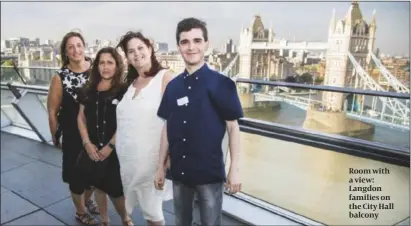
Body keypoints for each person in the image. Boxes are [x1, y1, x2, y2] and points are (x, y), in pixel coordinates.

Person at [154, 17, 243, 226]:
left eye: (196, 40)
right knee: (181, 222)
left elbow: (233, 127)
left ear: (206, 44)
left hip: (209, 173)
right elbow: (167, 127)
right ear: (179, 46)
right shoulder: (173, 86)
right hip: (179, 171)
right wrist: (160, 166)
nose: (191, 47)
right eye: (185, 42)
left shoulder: (223, 84)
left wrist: (235, 168)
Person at [115, 31, 174, 226]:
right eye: (130, 51)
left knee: (153, 213)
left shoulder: (165, 78)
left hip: (151, 161)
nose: (136, 54)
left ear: (150, 48)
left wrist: (163, 163)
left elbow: (172, 121)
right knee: (146, 211)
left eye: (140, 48)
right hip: (129, 161)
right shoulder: (131, 83)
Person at [47, 31, 99, 225]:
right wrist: (55, 136)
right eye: (71, 47)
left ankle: (87, 201)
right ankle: (80, 212)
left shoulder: (96, 69)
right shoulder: (60, 77)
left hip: (95, 131)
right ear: (66, 52)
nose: (76, 50)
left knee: (95, 172)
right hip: (72, 134)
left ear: (84, 46)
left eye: (79, 45)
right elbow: (52, 111)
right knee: (76, 174)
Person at [77, 47, 133, 226]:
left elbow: (126, 121)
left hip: (114, 151)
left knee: (116, 191)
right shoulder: (88, 90)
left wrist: (110, 146)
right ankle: (105, 221)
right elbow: (81, 117)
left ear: (117, 66)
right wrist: (87, 143)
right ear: (96, 66)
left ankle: (125, 219)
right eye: (102, 62)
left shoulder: (124, 91)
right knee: (99, 187)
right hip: (92, 148)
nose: (106, 67)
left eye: (110, 62)